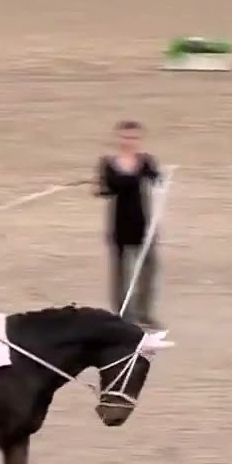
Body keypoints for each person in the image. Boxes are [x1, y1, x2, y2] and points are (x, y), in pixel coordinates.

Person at [94, 120, 163, 329]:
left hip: (143, 224)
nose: (129, 141)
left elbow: (157, 181)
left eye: (133, 137)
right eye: (125, 137)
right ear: (118, 138)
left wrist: (163, 179)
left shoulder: (146, 162)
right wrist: (100, 189)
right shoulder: (108, 164)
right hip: (119, 224)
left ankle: (144, 313)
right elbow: (106, 189)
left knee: (148, 270)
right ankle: (124, 315)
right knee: (121, 274)